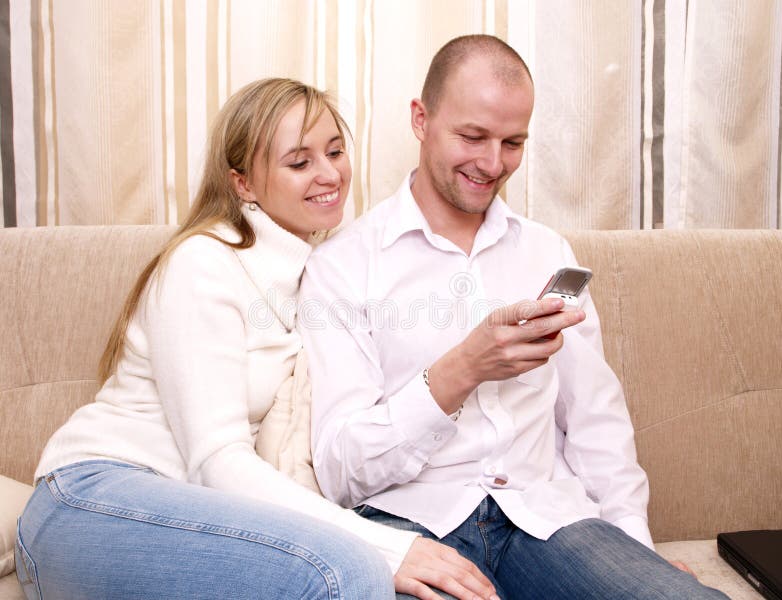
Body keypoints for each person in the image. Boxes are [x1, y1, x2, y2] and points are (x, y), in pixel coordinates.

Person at [15, 78, 499, 600]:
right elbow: (216, 460)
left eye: (335, 151)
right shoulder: (203, 263)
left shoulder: (325, 270)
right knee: (348, 571)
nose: (330, 173)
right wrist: (391, 548)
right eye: (300, 162)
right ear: (243, 183)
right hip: (92, 498)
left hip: (192, 510)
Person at [299, 36, 729, 599]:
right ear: (420, 119)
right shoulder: (343, 266)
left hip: (547, 520)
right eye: (472, 136)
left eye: (513, 142)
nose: (492, 163)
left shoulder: (548, 253)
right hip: (412, 526)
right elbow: (339, 468)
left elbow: (596, 420)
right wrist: (462, 369)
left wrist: (636, 551)